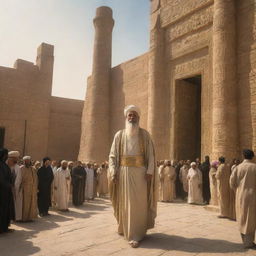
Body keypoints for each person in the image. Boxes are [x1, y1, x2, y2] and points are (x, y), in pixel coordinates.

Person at [109, 105, 157, 248]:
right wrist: (113, 171)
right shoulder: (119, 135)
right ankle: (126, 230)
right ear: (126, 117)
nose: (132, 117)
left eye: (134, 115)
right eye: (129, 115)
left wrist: (150, 171)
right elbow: (112, 156)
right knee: (126, 203)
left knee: (138, 204)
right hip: (123, 173)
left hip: (141, 174)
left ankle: (138, 233)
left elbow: (151, 155)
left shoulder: (145, 135)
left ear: (139, 117)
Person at [230, 149, 256, 249]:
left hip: (241, 196)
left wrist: (238, 191)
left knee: (242, 217)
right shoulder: (255, 167)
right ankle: (249, 242)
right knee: (251, 218)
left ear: (243, 156)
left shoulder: (238, 168)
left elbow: (232, 183)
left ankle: (245, 240)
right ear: (252, 156)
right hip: (253, 195)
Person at [0, 148, 15, 233]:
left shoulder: (4, 165)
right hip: (2, 191)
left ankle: (5, 227)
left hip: (6, 192)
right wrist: (9, 185)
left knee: (6, 209)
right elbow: (1, 179)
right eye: (6, 155)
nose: (7, 157)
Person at [19, 156, 38, 222]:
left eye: (29, 161)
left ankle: (30, 217)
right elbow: (19, 179)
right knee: (24, 203)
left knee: (31, 203)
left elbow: (35, 179)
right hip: (24, 189)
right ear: (24, 161)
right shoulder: (21, 168)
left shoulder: (33, 169)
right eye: (26, 161)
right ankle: (23, 218)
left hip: (32, 189)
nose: (27, 162)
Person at [7, 151, 23, 221]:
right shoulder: (5, 166)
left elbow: (18, 179)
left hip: (14, 189)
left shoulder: (17, 167)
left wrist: (15, 188)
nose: (16, 160)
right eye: (15, 158)